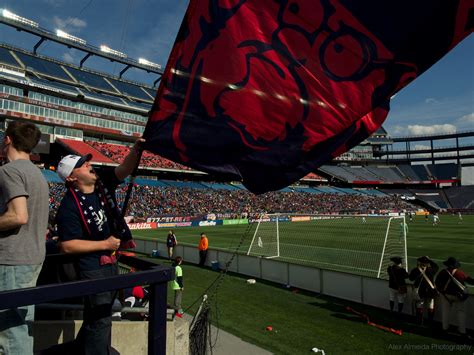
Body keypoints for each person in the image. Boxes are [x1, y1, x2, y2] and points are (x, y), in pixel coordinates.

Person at [54, 139, 142, 354]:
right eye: (83, 164)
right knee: (101, 319)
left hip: (109, 263)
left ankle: (84, 349)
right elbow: (67, 246)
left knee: (98, 318)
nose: (89, 165)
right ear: (72, 177)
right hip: (92, 268)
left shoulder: (102, 185)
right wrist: (105, 243)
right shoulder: (68, 206)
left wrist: (137, 149)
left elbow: (124, 169)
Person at [0, 121, 49, 355]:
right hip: (32, 257)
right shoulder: (36, 173)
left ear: (8, 139)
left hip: (12, 259)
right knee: (21, 325)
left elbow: (18, 216)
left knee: (10, 333)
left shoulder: (9, 170)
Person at [435, 257, 474, 341]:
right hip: (459, 296)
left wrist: (442, 292)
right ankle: (462, 332)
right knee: (461, 313)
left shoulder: (443, 272)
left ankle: (445, 329)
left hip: (446, 295)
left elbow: (437, 283)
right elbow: (470, 281)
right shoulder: (460, 273)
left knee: (445, 312)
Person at [409, 256, 439, 325]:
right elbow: (436, 266)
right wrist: (429, 260)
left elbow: (411, 278)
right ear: (427, 263)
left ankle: (419, 321)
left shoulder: (416, 270)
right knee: (430, 306)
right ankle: (430, 321)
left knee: (419, 305)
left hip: (420, 291)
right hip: (430, 291)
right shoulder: (431, 269)